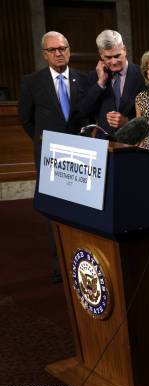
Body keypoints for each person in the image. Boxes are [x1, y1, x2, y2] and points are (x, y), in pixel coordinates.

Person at [18, 31, 88, 283]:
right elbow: (26, 119)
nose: (59, 53)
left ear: (69, 50)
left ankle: (83, 258)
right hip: (51, 157)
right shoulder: (32, 82)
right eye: (53, 50)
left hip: (81, 157)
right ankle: (60, 264)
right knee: (55, 210)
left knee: (81, 208)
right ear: (44, 54)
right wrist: (45, 142)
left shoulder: (83, 79)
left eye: (63, 48)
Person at [81, 29, 146, 138]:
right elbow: (83, 112)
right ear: (101, 55)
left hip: (132, 143)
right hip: (103, 145)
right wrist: (100, 83)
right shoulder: (94, 76)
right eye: (108, 57)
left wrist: (127, 122)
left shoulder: (142, 74)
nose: (114, 61)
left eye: (117, 56)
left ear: (124, 50)